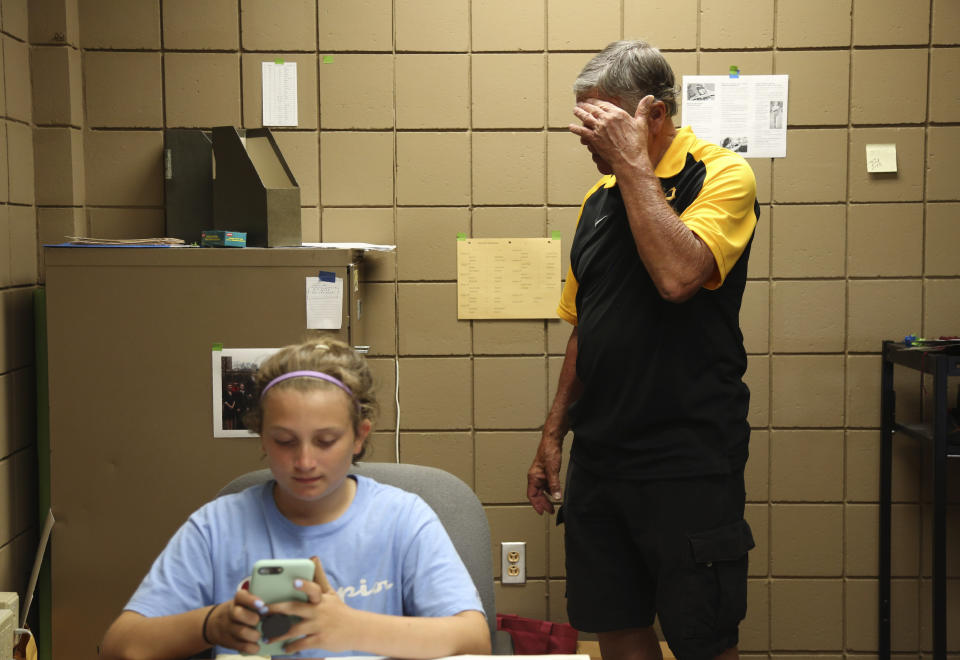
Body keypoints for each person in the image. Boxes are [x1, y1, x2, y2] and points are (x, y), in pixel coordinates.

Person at [526, 40, 759, 660]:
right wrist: (554, 434)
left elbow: (679, 277)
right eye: (581, 119)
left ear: (653, 114)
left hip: (688, 455)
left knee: (701, 637)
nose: (585, 136)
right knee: (616, 624)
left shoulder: (723, 175)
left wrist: (634, 167)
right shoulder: (595, 203)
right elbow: (586, 327)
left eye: (599, 120)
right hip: (602, 458)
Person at [101, 338, 491, 659]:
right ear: (262, 438)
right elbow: (119, 646)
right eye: (285, 441)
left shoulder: (402, 519)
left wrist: (351, 628)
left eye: (325, 441)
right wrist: (212, 624)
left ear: (359, 437)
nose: (304, 462)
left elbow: (474, 639)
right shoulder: (216, 526)